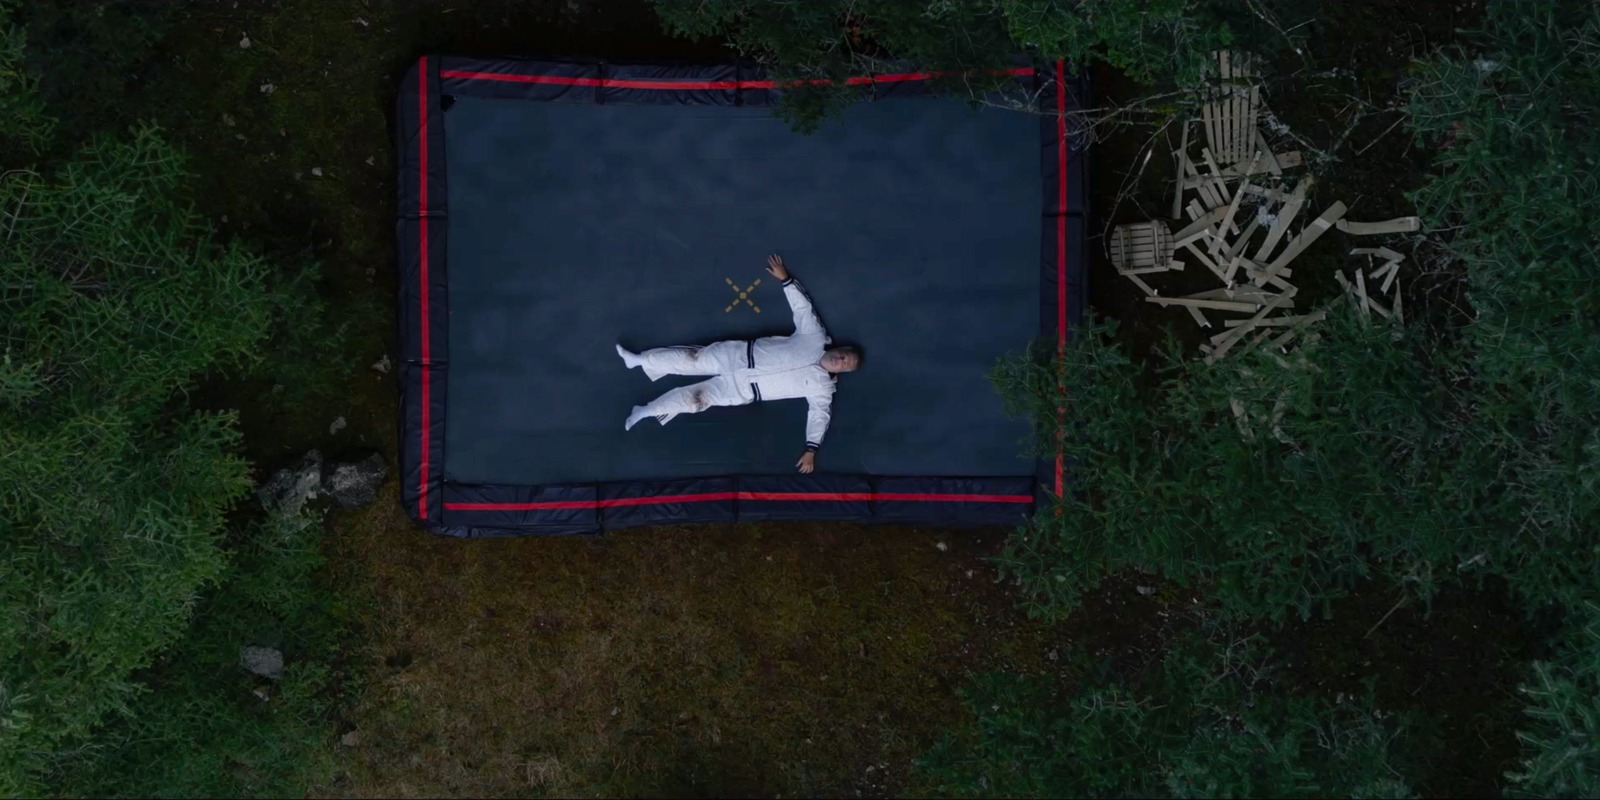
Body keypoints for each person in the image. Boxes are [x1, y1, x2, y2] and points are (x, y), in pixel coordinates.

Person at [617, 254, 860, 474]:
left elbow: (819, 416)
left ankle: (644, 411)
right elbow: (803, 309)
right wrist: (786, 280)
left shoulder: (823, 389)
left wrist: (811, 449)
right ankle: (638, 360)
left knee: (694, 401)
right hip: (739, 355)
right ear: (840, 348)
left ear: (842, 372)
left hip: (742, 390)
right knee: (691, 359)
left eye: (845, 364)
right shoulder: (815, 337)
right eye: (844, 355)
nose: (841, 360)